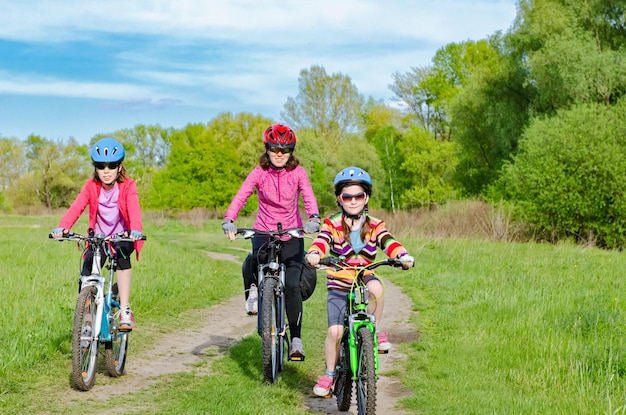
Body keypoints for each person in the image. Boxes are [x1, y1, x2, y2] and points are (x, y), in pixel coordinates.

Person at [306, 166, 414, 397]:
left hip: (364, 274)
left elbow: (388, 241)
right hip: (339, 280)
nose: (353, 200)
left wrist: (402, 256)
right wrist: (315, 253)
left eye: (358, 196)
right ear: (339, 198)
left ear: (366, 198)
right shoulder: (332, 223)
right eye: (347, 196)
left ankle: (375, 331)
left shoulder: (375, 224)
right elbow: (322, 241)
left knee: (376, 287)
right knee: (335, 332)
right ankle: (329, 374)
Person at [222, 123, 320, 360]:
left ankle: (296, 339)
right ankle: (254, 291)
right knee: (254, 259)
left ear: (291, 152)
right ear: (267, 149)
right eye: (275, 149)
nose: (279, 154)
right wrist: (229, 219)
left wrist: (314, 219)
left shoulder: (298, 173)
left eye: (284, 151)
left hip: (292, 233)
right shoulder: (259, 173)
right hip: (264, 230)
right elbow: (242, 195)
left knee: (294, 284)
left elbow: (308, 196)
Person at [51, 137, 144, 332]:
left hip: (122, 236)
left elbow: (134, 209)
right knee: (86, 274)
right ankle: (86, 324)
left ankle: (125, 309)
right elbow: (76, 207)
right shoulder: (91, 186)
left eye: (111, 166)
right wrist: (62, 227)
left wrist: (135, 230)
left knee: (123, 257)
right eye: (101, 166)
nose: (106, 171)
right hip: (99, 237)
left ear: (119, 167)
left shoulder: (127, 186)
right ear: (96, 168)